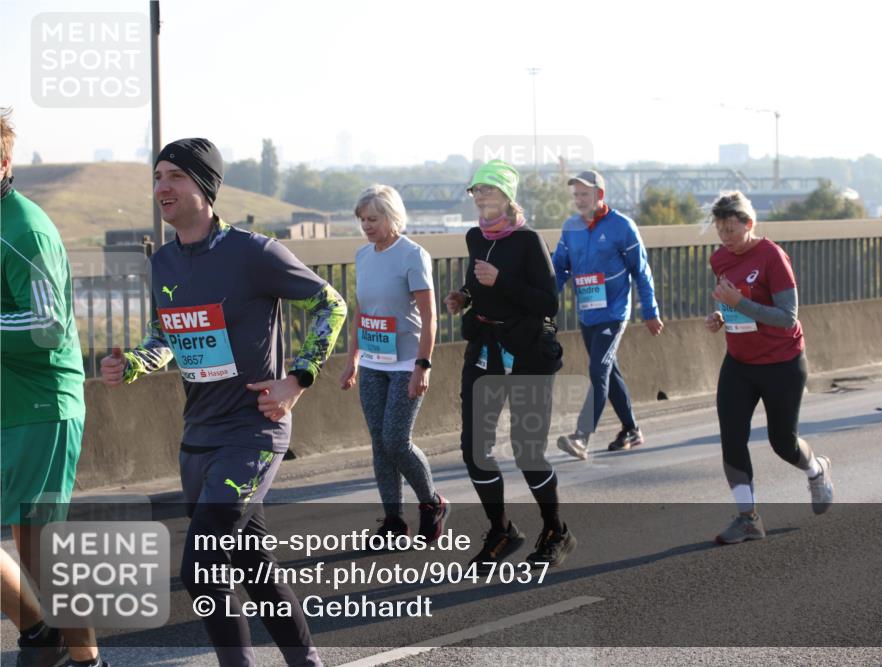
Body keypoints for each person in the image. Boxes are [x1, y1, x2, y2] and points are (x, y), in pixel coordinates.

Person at [100, 138, 346, 666]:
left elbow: (331, 303)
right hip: (198, 436)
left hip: (253, 432)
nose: (162, 187)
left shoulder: (253, 253)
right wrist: (132, 364)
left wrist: (298, 379)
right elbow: (166, 336)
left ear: (205, 187)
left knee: (201, 567)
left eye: (175, 176)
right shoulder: (163, 262)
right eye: (158, 176)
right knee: (253, 562)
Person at [0, 107, 106, 667]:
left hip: (41, 406)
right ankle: (41, 637)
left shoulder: (26, 229)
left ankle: (87, 660)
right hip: (6, 404)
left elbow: (48, 326)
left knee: (42, 549)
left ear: (3, 162)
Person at [444, 159, 575, 569]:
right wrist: (464, 295)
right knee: (474, 450)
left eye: (487, 189)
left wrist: (500, 280)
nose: (479, 196)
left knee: (527, 450)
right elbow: (478, 281)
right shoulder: (474, 237)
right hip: (484, 350)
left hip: (527, 353)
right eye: (476, 190)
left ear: (506, 196)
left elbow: (548, 302)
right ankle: (501, 531)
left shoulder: (529, 241)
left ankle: (556, 531)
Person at [704, 191, 833, 544]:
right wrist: (720, 316)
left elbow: (787, 317)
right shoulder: (719, 258)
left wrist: (738, 302)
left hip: (782, 362)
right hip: (739, 363)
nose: (725, 237)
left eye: (731, 229)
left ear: (749, 223)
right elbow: (734, 304)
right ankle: (748, 518)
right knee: (732, 439)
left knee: (782, 442)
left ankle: (816, 469)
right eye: (720, 229)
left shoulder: (772, 256)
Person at [339, 184, 449, 542]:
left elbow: (430, 317)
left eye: (373, 219)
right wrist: (353, 359)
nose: (366, 226)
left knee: (396, 441)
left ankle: (432, 503)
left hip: (406, 364)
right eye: (362, 220)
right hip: (373, 362)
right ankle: (393, 521)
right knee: (379, 444)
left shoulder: (413, 255)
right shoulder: (363, 255)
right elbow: (362, 311)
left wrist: (422, 365)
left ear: (392, 216)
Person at [552, 169, 662, 459]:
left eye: (585, 194)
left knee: (598, 370)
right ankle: (631, 429)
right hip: (587, 313)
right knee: (609, 372)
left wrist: (650, 310)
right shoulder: (570, 227)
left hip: (614, 312)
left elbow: (641, 271)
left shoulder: (622, 226)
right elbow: (559, 268)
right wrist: (543, 302)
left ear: (600, 195)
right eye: (576, 195)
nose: (579, 200)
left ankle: (581, 436)